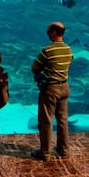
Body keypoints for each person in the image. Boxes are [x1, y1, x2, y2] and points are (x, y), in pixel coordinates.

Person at [31, 21, 74, 161]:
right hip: (65, 87)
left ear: (55, 32)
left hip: (51, 89)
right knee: (62, 120)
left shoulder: (47, 50)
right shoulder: (68, 49)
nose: (47, 33)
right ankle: (64, 150)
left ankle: (45, 152)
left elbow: (35, 68)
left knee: (46, 121)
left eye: (49, 31)